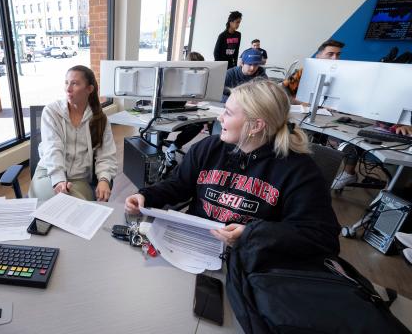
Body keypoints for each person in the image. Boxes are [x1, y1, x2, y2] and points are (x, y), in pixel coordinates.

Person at [125, 80, 340, 255]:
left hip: (247, 256)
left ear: (255, 126)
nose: (219, 117)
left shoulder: (299, 170)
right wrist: (146, 196)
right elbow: (178, 185)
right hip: (193, 244)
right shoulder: (209, 147)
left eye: (228, 112)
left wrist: (250, 233)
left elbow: (321, 237)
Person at [28, 65, 117, 202]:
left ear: (89, 89)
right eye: (66, 82)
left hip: (78, 179)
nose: (68, 89)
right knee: (52, 206)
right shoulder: (52, 112)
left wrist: (104, 179)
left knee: (76, 209)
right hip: (48, 174)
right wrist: (58, 180)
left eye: (74, 83)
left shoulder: (99, 118)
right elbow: (53, 148)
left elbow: (106, 154)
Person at [332, 123, 412, 190]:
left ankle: (388, 193)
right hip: (387, 131)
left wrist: (409, 125)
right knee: (348, 141)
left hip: (403, 149)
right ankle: (348, 174)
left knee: (397, 159)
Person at [162, 51, 207, 168]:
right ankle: (156, 149)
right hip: (163, 113)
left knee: (199, 124)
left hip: (180, 111)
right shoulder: (172, 74)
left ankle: (173, 147)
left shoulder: (194, 79)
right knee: (160, 132)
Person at [283, 39, 345, 104]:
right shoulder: (305, 71)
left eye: (338, 54)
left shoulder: (341, 75)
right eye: (330, 54)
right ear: (318, 56)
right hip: (303, 109)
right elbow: (283, 90)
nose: (335, 58)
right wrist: (305, 103)